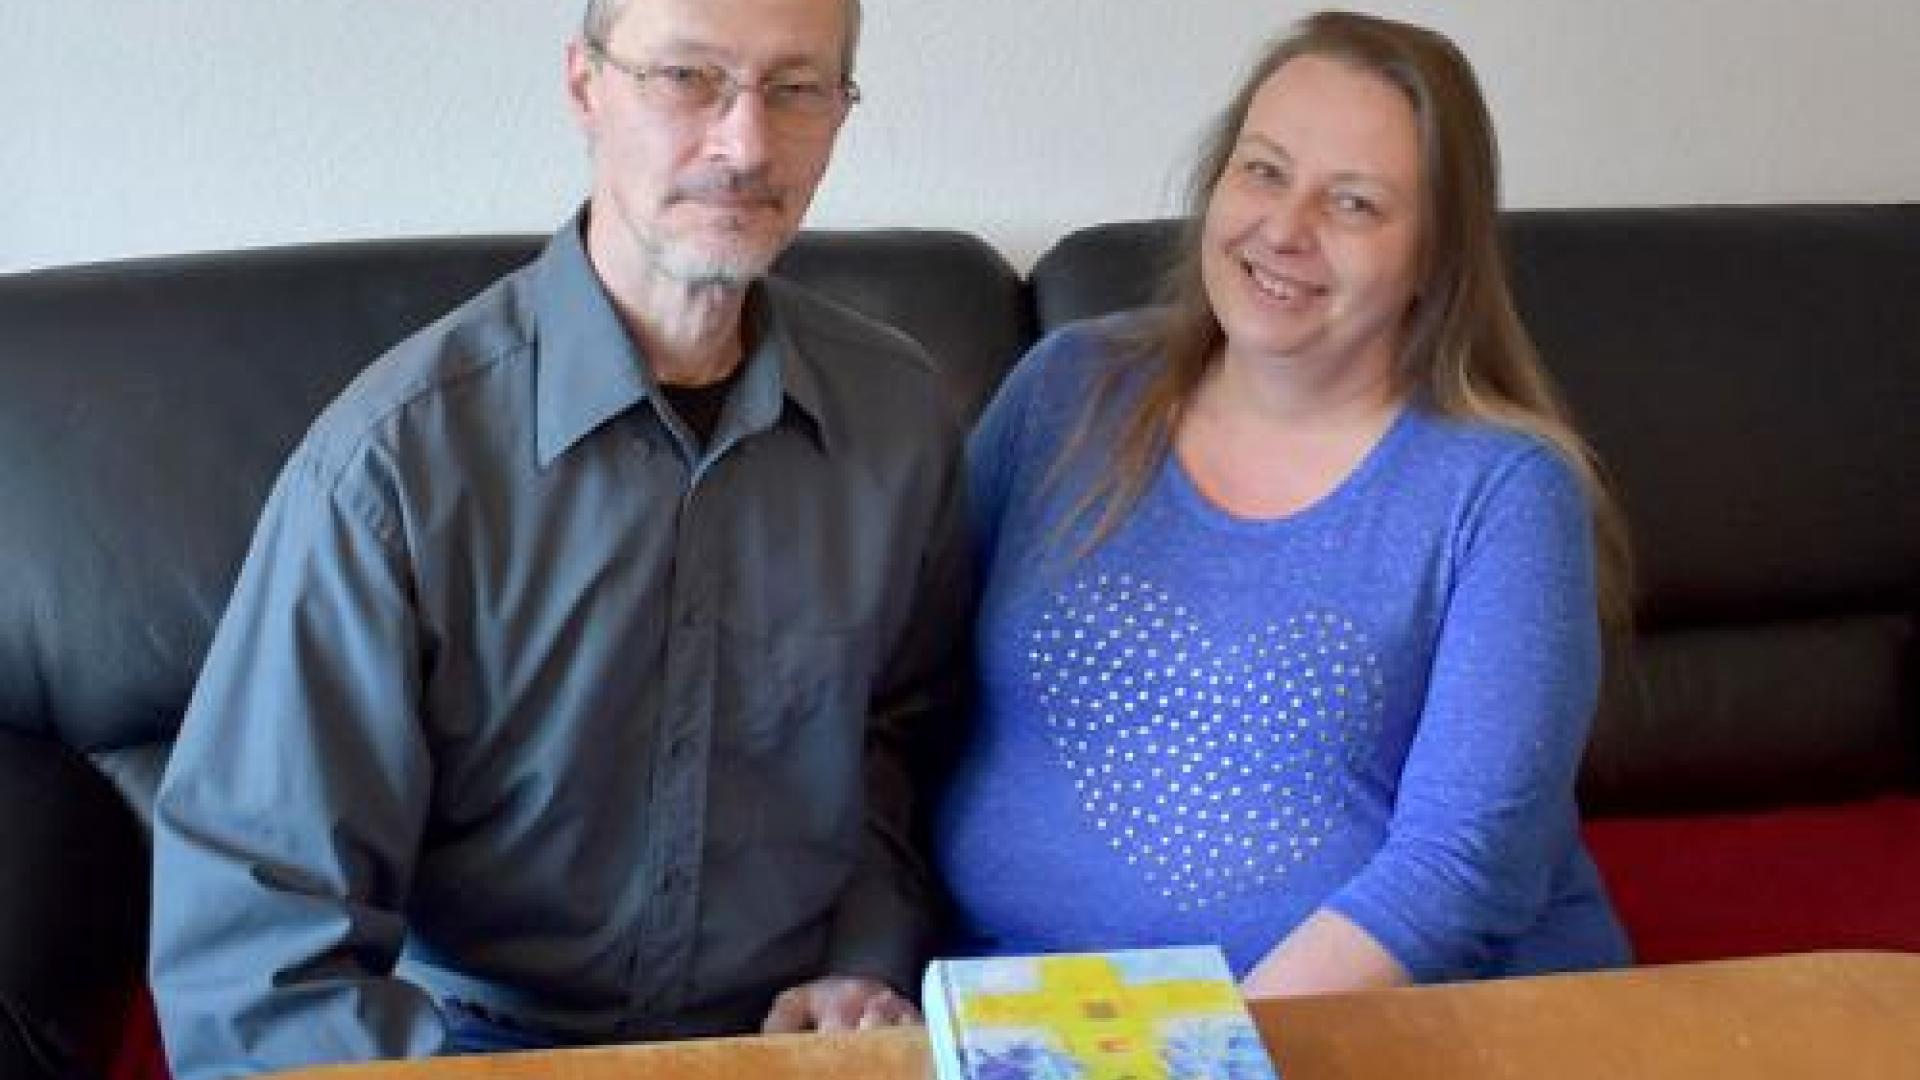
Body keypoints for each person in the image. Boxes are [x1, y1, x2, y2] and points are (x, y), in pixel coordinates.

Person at [149, 0, 969, 1072]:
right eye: (690, 77)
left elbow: (904, 740)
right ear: (586, 86)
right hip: (476, 1047)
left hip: (791, 1037)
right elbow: (260, 950)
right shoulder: (391, 466)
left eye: (796, 88)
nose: (745, 143)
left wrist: (864, 961)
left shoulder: (902, 421)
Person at [934, 10, 1633, 997]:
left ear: (1437, 256)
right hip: (1033, 1011)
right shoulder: (1064, 390)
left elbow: (1463, 867)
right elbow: (895, 702)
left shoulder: (1505, 491)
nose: (1285, 230)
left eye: (1354, 203)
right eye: (1264, 171)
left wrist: (1208, 1052)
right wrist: (864, 961)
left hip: (1387, 1020)